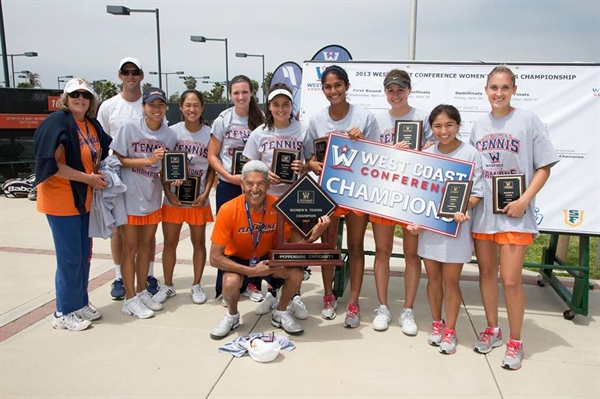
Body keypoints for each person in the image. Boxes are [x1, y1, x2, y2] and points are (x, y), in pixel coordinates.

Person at [469, 65, 559, 370]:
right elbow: (472, 170)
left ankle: (515, 341)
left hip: (514, 215)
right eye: (493, 88)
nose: (498, 93)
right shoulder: (478, 125)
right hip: (484, 215)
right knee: (485, 275)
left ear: (514, 90)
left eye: (504, 88)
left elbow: (544, 166)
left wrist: (524, 200)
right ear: (486, 90)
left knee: (510, 280)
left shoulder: (528, 120)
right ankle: (493, 329)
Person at [209, 160, 330, 339]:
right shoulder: (228, 209)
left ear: (268, 184)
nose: (255, 189)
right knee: (229, 282)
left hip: (268, 258)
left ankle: (280, 313)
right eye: (249, 183)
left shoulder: (278, 207)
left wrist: (312, 237)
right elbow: (214, 258)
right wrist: (251, 270)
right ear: (242, 185)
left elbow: (286, 249)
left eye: (260, 183)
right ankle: (232, 316)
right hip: (239, 259)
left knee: (296, 273)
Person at [304, 65, 380, 328]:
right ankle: (328, 296)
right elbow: (309, 158)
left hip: (357, 192)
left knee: (356, 247)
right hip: (328, 192)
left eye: (338, 85)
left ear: (346, 86)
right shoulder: (316, 120)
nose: (333, 91)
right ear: (323, 89)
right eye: (328, 86)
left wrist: (363, 141)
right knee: (328, 246)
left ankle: (354, 302)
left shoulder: (365, 117)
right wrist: (312, 165)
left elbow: (379, 157)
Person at [33, 78, 112, 331]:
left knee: (83, 256)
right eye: (75, 94)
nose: (81, 99)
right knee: (69, 258)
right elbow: (52, 165)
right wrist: (88, 178)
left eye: (85, 95)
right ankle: (63, 312)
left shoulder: (90, 124)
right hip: (61, 201)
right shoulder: (56, 123)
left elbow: (102, 152)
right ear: (65, 98)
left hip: (83, 202)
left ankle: (79, 302)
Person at [405, 104, 483, 354]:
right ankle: (436, 323)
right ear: (431, 129)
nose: (444, 131)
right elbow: (419, 192)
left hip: (455, 229)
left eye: (449, 125)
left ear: (458, 125)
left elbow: (477, 193)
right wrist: (416, 221)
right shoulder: (428, 154)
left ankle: (451, 329)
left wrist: (465, 206)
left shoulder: (471, 154)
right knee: (433, 280)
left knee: (451, 282)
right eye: (438, 126)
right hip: (430, 228)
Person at [370, 69, 434, 333]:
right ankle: (383, 306)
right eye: (390, 90)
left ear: (409, 90)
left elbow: (438, 148)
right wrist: (388, 153)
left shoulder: (422, 117)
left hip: (414, 194)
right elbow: (370, 157)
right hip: (385, 192)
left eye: (400, 89)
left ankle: (408, 310)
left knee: (411, 254)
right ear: (385, 92)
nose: (395, 95)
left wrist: (426, 150)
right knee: (382, 252)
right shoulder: (377, 119)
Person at [110, 87, 178, 319]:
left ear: (165, 107)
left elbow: (165, 170)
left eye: (160, 105)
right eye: (152, 104)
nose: (156, 109)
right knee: (131, 248)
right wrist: (147, 159)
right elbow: (116, 159)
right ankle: (129, 299)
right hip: (129, 197)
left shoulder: (169, 136)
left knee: (147, 249)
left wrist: (174, 178)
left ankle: (141, 293)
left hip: (151, 197)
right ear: (144, 107)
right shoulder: (129, 128)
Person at [242, 83, 308, 319]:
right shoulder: (259, 132)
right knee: (270, 250)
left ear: (292, 106)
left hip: (295, 199)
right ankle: (271, 293)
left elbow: (312, 161)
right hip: (267, 200)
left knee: (295, 250)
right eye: (276, 104)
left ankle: (295, 296)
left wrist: (304, 166)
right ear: (269, 107)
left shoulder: (303, 130)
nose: (281, 109)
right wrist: (263, 172)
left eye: (286, 104)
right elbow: (248, 166)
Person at [97, 57, 161, 299]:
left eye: (135, 72)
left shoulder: (151, 105)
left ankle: (148, 276)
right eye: (126, 72)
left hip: (147, 182)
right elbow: (102, 144)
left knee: (147, 237)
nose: (131, 76)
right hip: (119, 180)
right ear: (120, 75)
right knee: (119, 235)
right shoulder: (109, 107)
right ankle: (119, 279)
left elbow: (159, 144)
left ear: (142, 75)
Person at [153, 90, 215, 305]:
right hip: (174, 198)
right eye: (188, 105)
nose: (192, 109)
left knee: (198, 243)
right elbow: (163, 165)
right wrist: (167, 190)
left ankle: (196, 284)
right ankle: (168, 285)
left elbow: (211, 168)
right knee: (169, 243)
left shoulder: (210, 133)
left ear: (202, 107)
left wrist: (206, 193)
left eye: (196, 105)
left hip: (198, 198)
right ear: (180, 107)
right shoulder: (171, 132)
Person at [208, 75, 265, 302]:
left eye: (245, 92)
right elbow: (212, 155)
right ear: (230, 95)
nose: (241, 97)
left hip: (253, 187)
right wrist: (228, 177)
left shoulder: (260, 119)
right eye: (236, 93)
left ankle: (252, 283)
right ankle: (226, 286)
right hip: (229, 184)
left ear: (252, 93)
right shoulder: (223, 119)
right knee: (228, 236)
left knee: (255, 234)